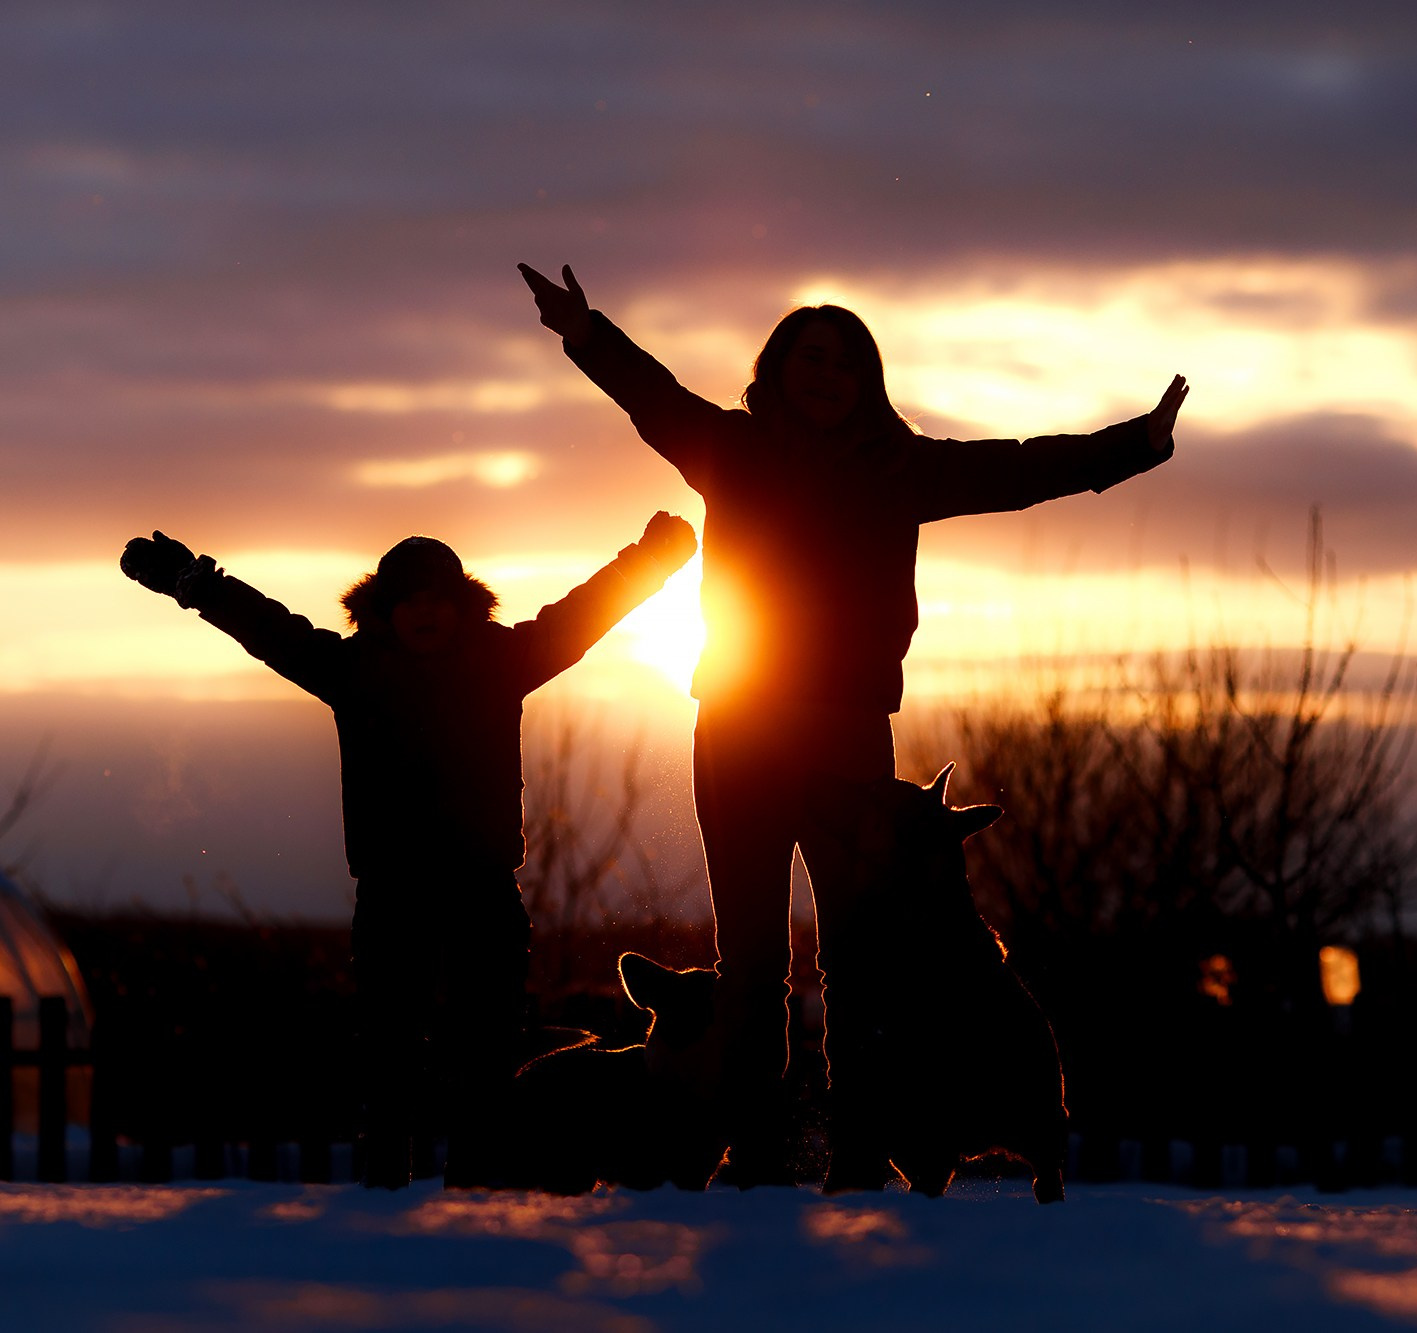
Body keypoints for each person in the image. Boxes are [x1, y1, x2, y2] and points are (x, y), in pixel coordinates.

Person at [518, 262, 1186, 1187]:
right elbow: (654, 398)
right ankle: (753, 1158)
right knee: (750, 965)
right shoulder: (731, 451)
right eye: (811, 358)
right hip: (741, 731)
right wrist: (587, 335)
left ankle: (855, 1157)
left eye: (845, 362)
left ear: (867, 379)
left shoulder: (901, 468)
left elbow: (1021, 467)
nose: (827, 375)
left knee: (859, 969)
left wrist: (1134, 444)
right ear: (780, 369)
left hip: (847, 741)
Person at [120, 511, 697, 1188]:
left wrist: (649, 562)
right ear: (384, 610)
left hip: (483, 887)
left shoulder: (501, 660)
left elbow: (582, 615)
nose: (424, 612)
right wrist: (195, 584)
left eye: (437, 599)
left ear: (461, 609)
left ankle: (480, 1183)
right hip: (392, 891)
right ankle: (387, 1187)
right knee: (389, 1050)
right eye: (408, 599)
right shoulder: (353, 668)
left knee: (488, 1048)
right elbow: (271, 630)